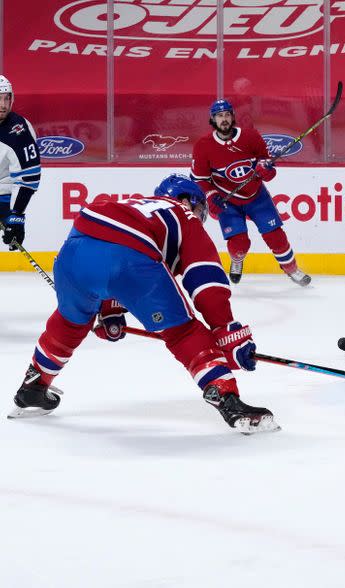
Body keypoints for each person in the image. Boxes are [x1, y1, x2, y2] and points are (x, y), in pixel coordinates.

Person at [7, 174, 279, 434]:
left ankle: (34, 385)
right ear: (190, 201)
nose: (200, 218)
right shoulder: (183, 214)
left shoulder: (131, 204)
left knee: (69, 322)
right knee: (182, 331)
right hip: (129, 260)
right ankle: (225, 396)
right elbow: (205, 279)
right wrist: (224, 329)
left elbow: (103, 246)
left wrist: (109, 309)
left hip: (72, 255)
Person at [191, 99, 310, 286]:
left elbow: (266, 164)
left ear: (233, 117)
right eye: (220, 116)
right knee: (239, 245)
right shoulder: (203, 146)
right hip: (227, 201)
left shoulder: (251, 136)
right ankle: (237, 261)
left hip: (256, 197)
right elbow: (199, 179)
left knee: (276, 237)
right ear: (213, 120)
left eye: (227, 115)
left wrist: (266, 169)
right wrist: (211, 196)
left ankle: (291, 269)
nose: (224, 119)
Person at [0, 75, 40, 251]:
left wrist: (16, 215)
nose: (3, 104)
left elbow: (28, 177)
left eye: (6, 98)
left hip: (3, 194)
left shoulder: (18, 130)